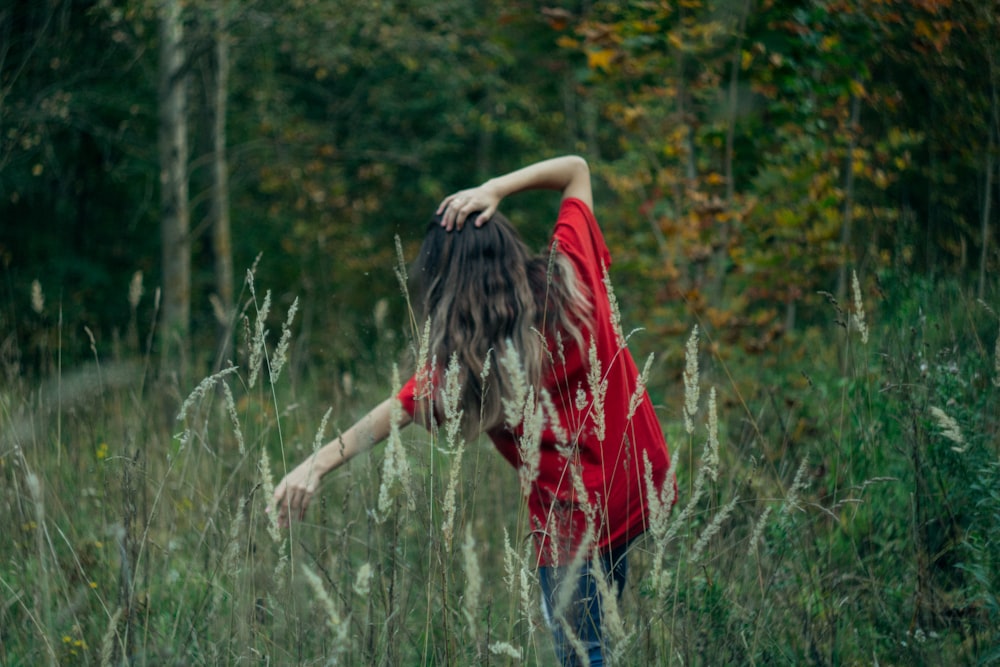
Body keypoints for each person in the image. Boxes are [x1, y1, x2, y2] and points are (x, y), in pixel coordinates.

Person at [273, 155, 674, 666]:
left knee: (585, 652)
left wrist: (313, 465)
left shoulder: (470, 366)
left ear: (443, 282)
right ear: (506, 247)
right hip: (640, 484)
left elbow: (395, 410)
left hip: (574, 525)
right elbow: (576, 169)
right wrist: (495, 187)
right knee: (606, 631)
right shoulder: (572, 276)